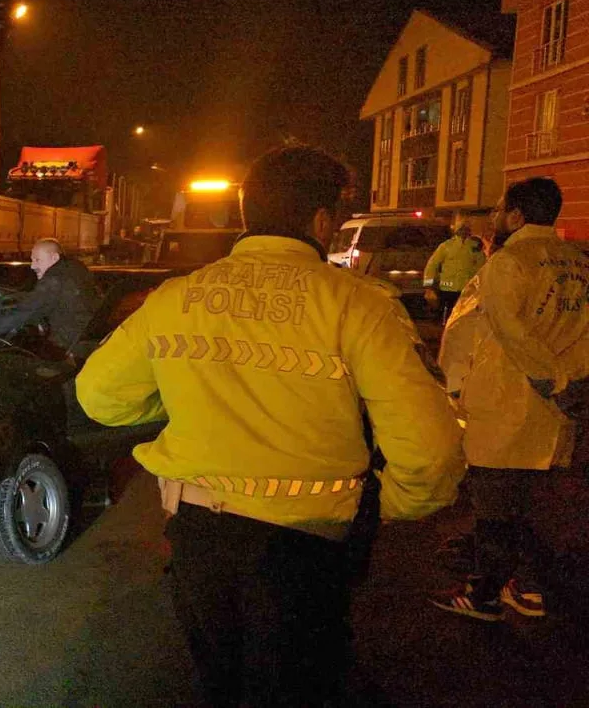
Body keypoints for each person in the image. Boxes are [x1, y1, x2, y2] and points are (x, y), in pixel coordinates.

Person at [75, 145, 465, 707]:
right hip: (306, 546)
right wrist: (391, 503)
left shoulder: (177, 298)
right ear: (322, 221)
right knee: (300, 687)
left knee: (221, 684)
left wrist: (180, 400)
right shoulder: (361, 305)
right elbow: (430, 449)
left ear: (247, 211)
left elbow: (99, 397)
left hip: (198, 539)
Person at [431, 177, 589, 621]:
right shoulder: (578, 264)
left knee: (495, 507)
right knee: (532, 505)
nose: (494, 217)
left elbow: (502, 330)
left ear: (517, 215)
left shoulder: (509, 263)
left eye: (499, 209)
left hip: (505, 405)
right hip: (552, 414)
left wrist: (551, 378)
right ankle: (525, 587)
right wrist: (571, 382)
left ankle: (484, 594)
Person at [0, 239, 100, 359]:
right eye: (32, 260)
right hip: (91, 338)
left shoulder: (53, 279)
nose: (32, 266)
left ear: (54, 258)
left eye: (37, 260)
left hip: (71, 346)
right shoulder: (75, 268)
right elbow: (51, 303)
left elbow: (24, 311)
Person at [423, 221, 486, 323]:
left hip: (466, 289)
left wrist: (480, 286)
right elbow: (432, 265)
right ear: (457, 231)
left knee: (463, 317)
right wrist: (428, 286)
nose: (464, 231)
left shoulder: (474, 247)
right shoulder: (446, 246)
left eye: (466, 229)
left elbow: (481, 267)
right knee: (446, 317)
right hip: (447, 288)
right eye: (462, 229)